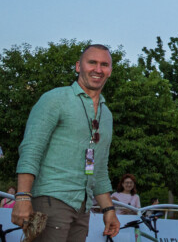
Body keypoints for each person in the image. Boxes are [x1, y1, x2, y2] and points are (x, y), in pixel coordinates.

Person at [13, 44, 121, 241]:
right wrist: (22, 196)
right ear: (78, 66)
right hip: (51, 199)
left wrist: (108, 209)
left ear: (110, 71)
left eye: (104, 64)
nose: (98, 69)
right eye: (92, 62)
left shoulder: (106, 114)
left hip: (83, 207)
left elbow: (98, 167)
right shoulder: (55, 99)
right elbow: (31, 149)